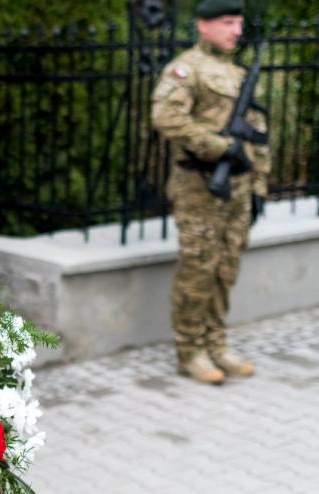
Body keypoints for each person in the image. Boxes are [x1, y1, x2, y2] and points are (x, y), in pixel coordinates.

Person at [152, 0, 270, 384]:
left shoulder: (236, 72)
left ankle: (217, 344)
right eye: (227, 22)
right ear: (203, 26)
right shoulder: (187, 69)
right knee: (197, 270)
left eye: (239, 22)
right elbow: (166, 117)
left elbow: (257, 131)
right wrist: (218, 147)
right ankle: (190, 351)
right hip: (199, 188)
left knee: (225, 269)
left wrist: (259, 184)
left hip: (237, 189)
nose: (236, 29)